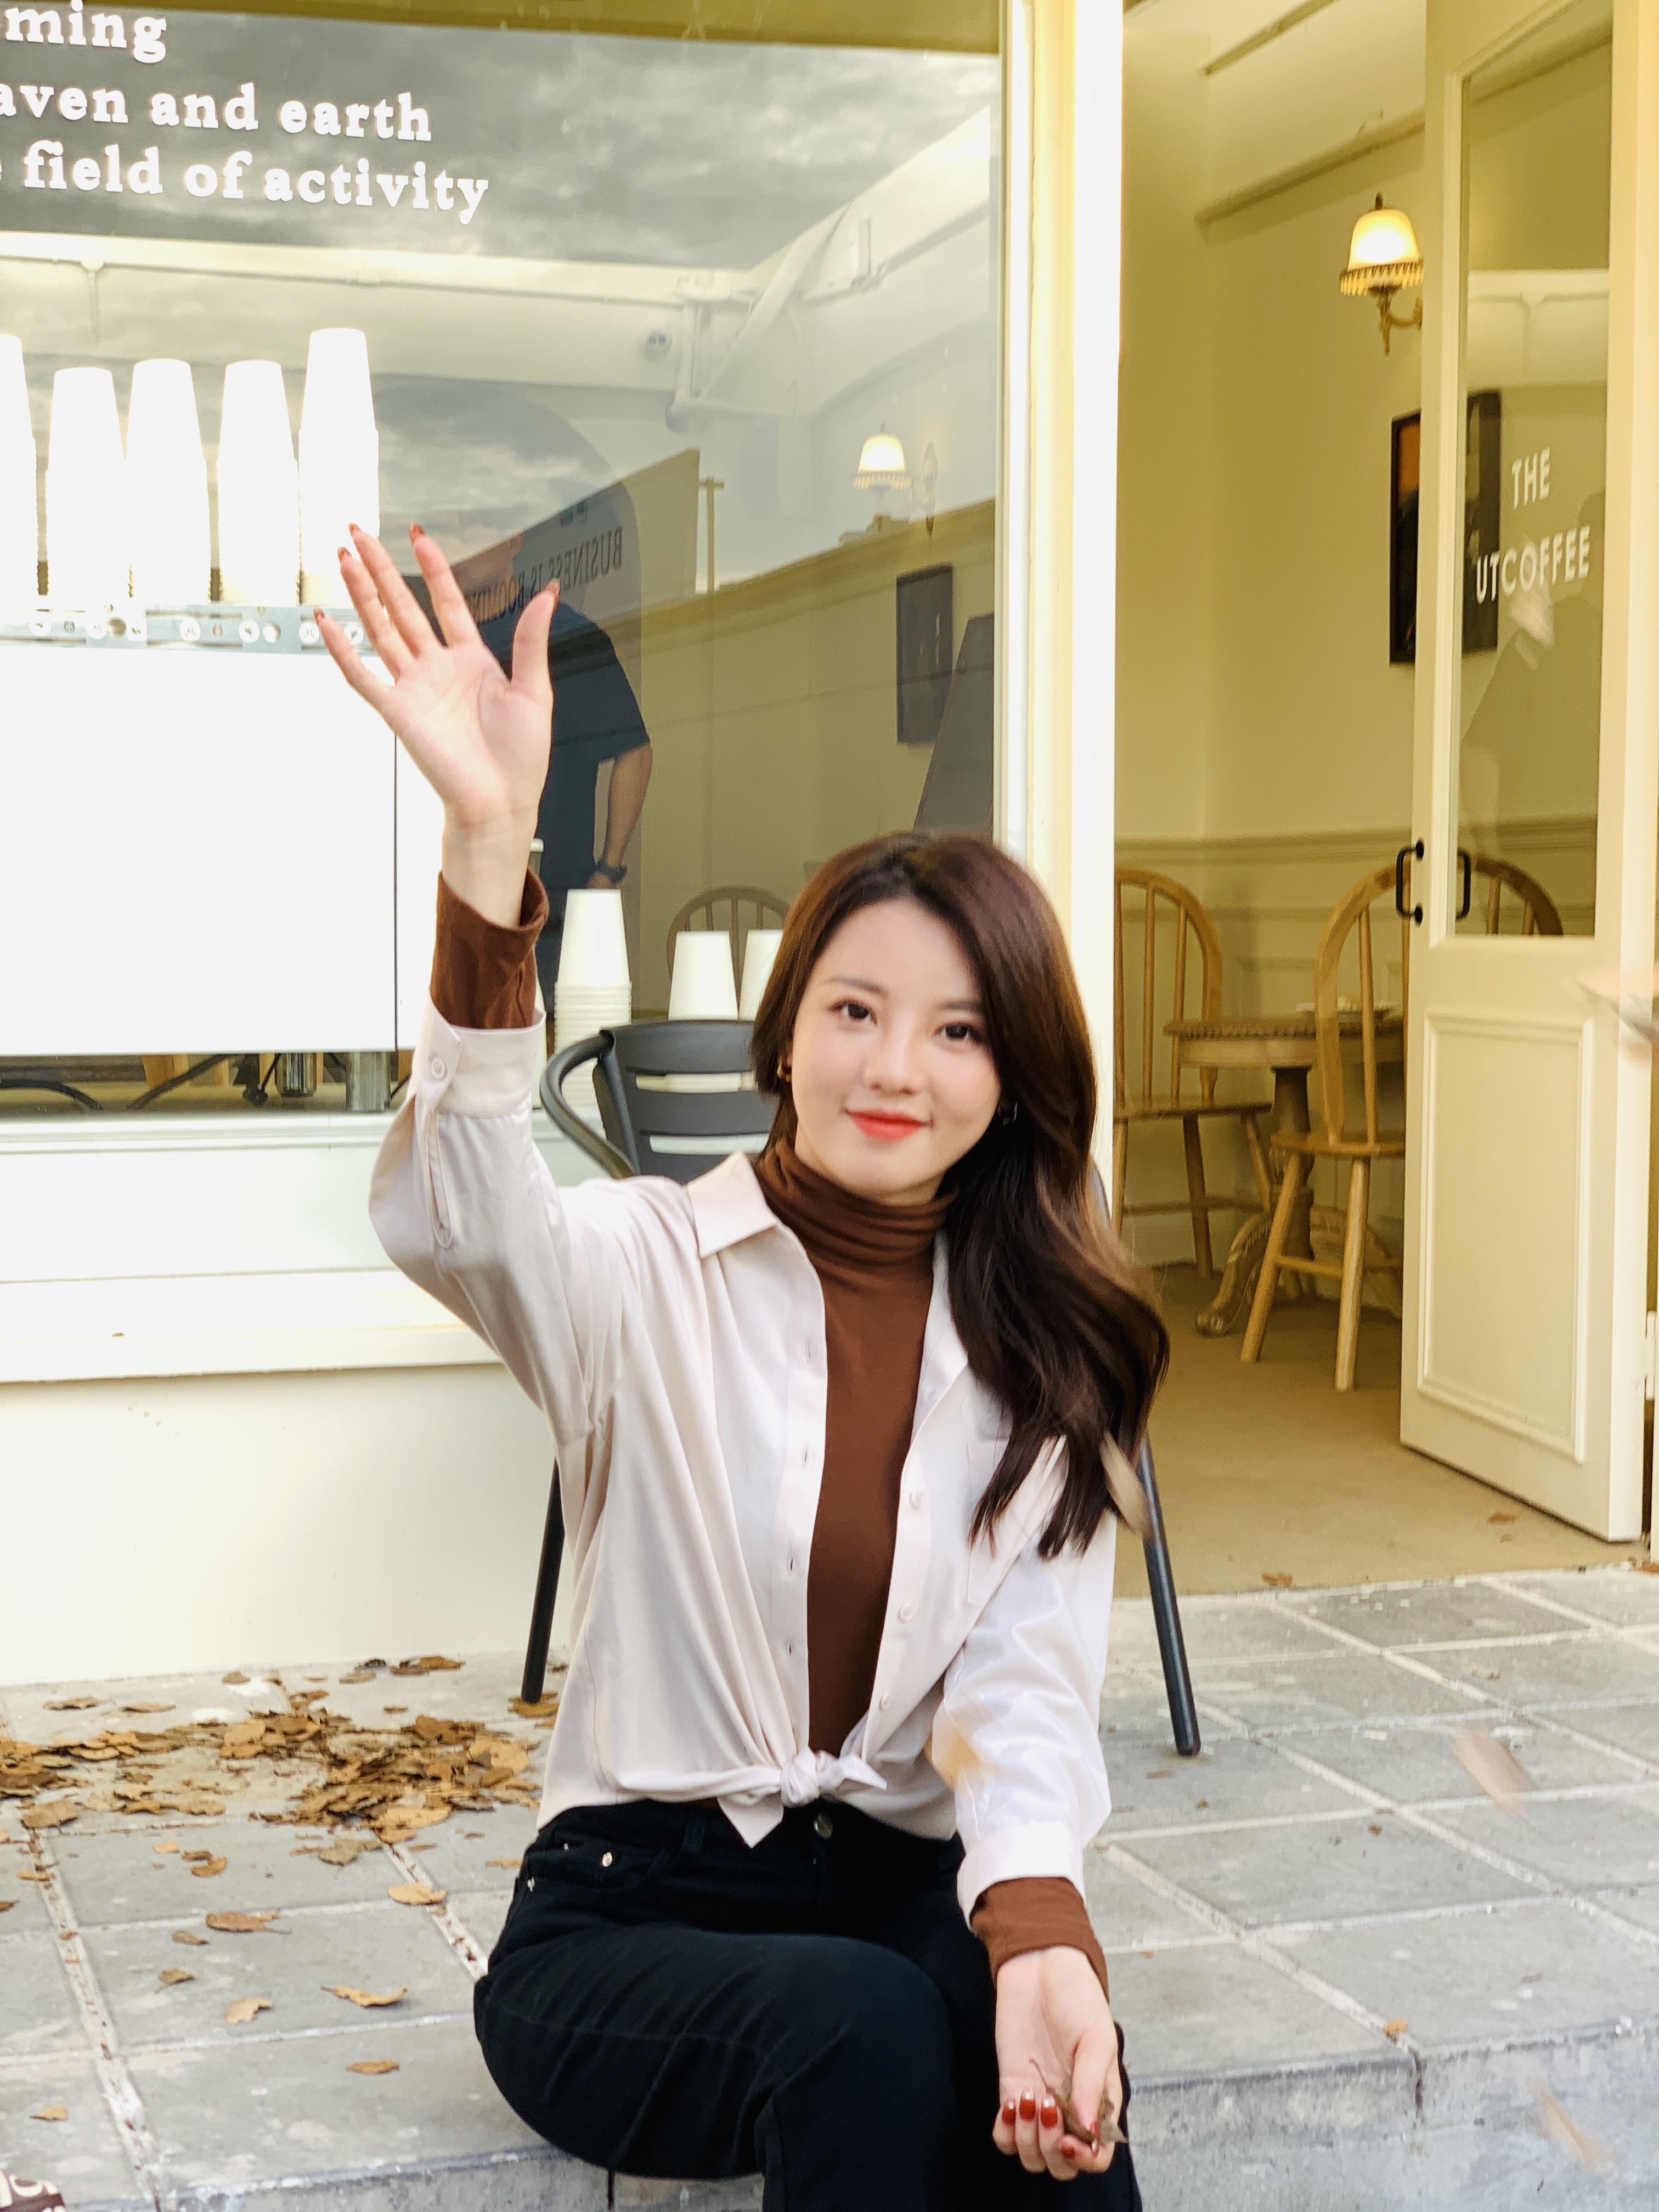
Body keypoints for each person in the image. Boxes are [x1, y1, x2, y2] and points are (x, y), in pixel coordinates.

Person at [319, 522, 1169, 2209]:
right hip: (625, 1919)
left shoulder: (1042, 1346)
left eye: (959, 1030)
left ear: (1014, 1074)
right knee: (864, 2028)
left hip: (892, 1892)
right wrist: (489, 849)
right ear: (786, 1030)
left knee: (1050, 2061)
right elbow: (460, 1213)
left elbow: (1021, 1694)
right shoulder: (641, 1269)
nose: (897, 1067)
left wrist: (1041, 1935)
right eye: (856, 1011)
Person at [476, 574, 652, 1008]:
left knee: (555, 1035)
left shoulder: (568, 635)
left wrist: (608, 871)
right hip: (462, 898)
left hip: (552, 908)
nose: (461, 549)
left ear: (513, 542)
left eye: (475, 536)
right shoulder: (439, 642)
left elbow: (635, 751)